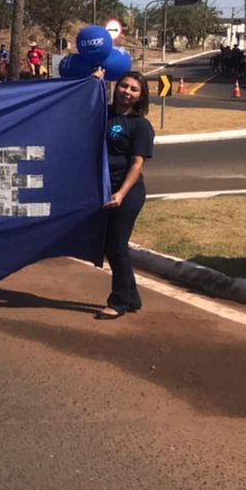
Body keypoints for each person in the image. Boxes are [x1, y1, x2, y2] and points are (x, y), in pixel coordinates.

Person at [96, 70, 155, 319]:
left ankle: (118, 301)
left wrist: (121, 193)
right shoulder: (104, 113)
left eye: (133, 89)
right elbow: (85, 104)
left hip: (127, 192)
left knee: (116, 245)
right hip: (105, 189)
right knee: (111, 245)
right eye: (124, 86)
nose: (127, 92)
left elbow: (137, 163)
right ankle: (132, 298)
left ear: (141, 96)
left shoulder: (140, 125)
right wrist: (94, 83)